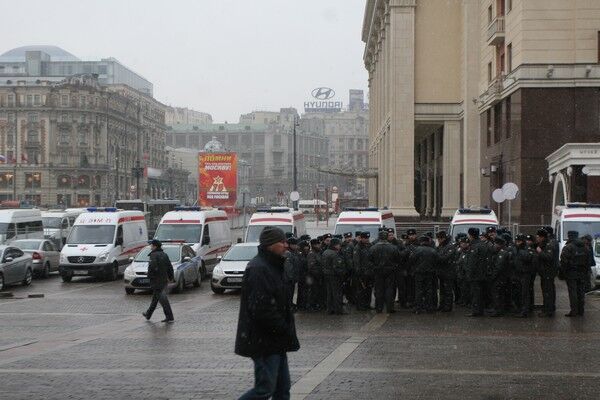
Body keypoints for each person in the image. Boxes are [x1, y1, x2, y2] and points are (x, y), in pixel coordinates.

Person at [236, 226, 300, 400]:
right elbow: (261, 308)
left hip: (276, 341)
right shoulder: (259, 268)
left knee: (282, 389)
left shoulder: (274, 265)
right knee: (264, 389)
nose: (286, 245)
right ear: (270, 245)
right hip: (264, 342)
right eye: (282, 242)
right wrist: (282, 327)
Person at [143, 239, 175, 323]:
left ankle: (169, 316)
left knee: (163, 299)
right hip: (163, 280)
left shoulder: (153, 255)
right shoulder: (164, 255)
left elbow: (152, 267)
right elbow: (169, 267)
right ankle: (148, 314)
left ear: (155, 246)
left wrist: (150, 277)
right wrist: (171, 277)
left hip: (156, 281)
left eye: (151, 246)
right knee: (155, 298)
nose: (150, 247)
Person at [560, 231, 590, 317]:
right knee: (581, 292)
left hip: (571, 273)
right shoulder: (585, 247)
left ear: (569, 236)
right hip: (582, 273)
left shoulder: (568, 248)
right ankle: (581, 310)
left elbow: (564, 262)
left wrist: (563, 273)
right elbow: (588, 262)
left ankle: (574, 311)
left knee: (573, 292)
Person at [369, 230, 400, 313]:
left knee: (379, 290)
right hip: (390, 271)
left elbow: (369, 260)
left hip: (378, 271)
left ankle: (379, 308)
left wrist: (375, 267)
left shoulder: (373, 248)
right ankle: (389, 308)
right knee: (389, 290)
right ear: (386, 237)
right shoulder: (393, 247)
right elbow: (398, 259)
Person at [410, 235, 439, 314]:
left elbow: (411, 260)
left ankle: (418, 308)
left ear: (421, 242)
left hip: (419, 273)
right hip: (430, 273)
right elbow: (437, 261)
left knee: (419, 290)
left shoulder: (417, 250)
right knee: (429, 290)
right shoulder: (433, 250)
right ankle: (429, 307)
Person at [512, 234, 536, 318]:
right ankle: (520, 308)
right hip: (517, 273)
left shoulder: (527, 249)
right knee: (519, 292)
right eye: (516, 241)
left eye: (519, 241)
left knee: (525, 293)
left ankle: (525, 310)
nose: (517, 243)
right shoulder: (515, 248)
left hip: (525, 273)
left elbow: (529, 258)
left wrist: (520, 251)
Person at [466, 228, 488, 317]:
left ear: (471, 235)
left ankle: (476, 311)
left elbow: (472, 262)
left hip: (476, 275)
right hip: (482, 273)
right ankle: (480, 310)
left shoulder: (475, 246)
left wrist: (470, 273)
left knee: (475, 293)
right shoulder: (482, 244)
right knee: (479, 293)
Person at [535, 228, 557, 317]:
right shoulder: (544, 244)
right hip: (545, 272)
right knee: (547, 291)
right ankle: (547, 307)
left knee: (548, 291)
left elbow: (549, 257)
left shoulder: (549, 245)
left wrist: (540, 252)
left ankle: (548, 310)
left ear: (542, 237)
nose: (537, 238)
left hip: (548, 272)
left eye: (538, 237)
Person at [323, 238, 347, 315]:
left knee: (329, 293)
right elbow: (337, 267)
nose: (340, 246)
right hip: (335, 276)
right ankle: (338, 310)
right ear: (335, 245)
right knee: (337, 293)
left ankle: (329, 309)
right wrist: (343, 274)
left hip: (327, 275)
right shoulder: (334, 254)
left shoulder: (325, 252)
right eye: (339, 245)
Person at [487, 236, 510, 317]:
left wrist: (492, 276)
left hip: (500, 277)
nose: (494, 245)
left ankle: (498, 310)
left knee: (497, 293)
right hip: (499, 277)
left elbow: (498, 267)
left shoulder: (502, 253)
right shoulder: (498, 252)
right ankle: (496, 308)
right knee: (496, 293)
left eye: (496, 244)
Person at [435, 231, 456, 312]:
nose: (438, 241)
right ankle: (442, 305)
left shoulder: (450, 246)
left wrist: (437, 257)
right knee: (442, 290)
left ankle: (448, 306)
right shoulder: (441, 246)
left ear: (443, 238)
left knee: (448, 290)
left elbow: (445, 258)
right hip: (442, 272)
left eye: (439, 239)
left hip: (448, 272)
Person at [353, 231, 373, 310]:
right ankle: (360, 305)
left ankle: (367, 304)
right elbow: (356, 261)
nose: (367, 240)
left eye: (368, 238)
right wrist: (358, 272)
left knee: (368, 289)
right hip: (362, 272)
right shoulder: (357, 248)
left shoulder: (370, 246)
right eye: (365, 238)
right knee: (361, 290)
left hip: (369, 272)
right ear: (361, 238)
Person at [306, 239, 325, 311]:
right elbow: (311, 267)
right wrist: (318, 274)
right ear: (314, 245)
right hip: (313, 276)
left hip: (318, 276)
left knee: (317, 291)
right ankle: (310, 306)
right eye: (318, 244)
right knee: (313, 292)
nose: (320, 245)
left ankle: (315, 305)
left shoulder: (318, 253)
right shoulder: (312, 254)